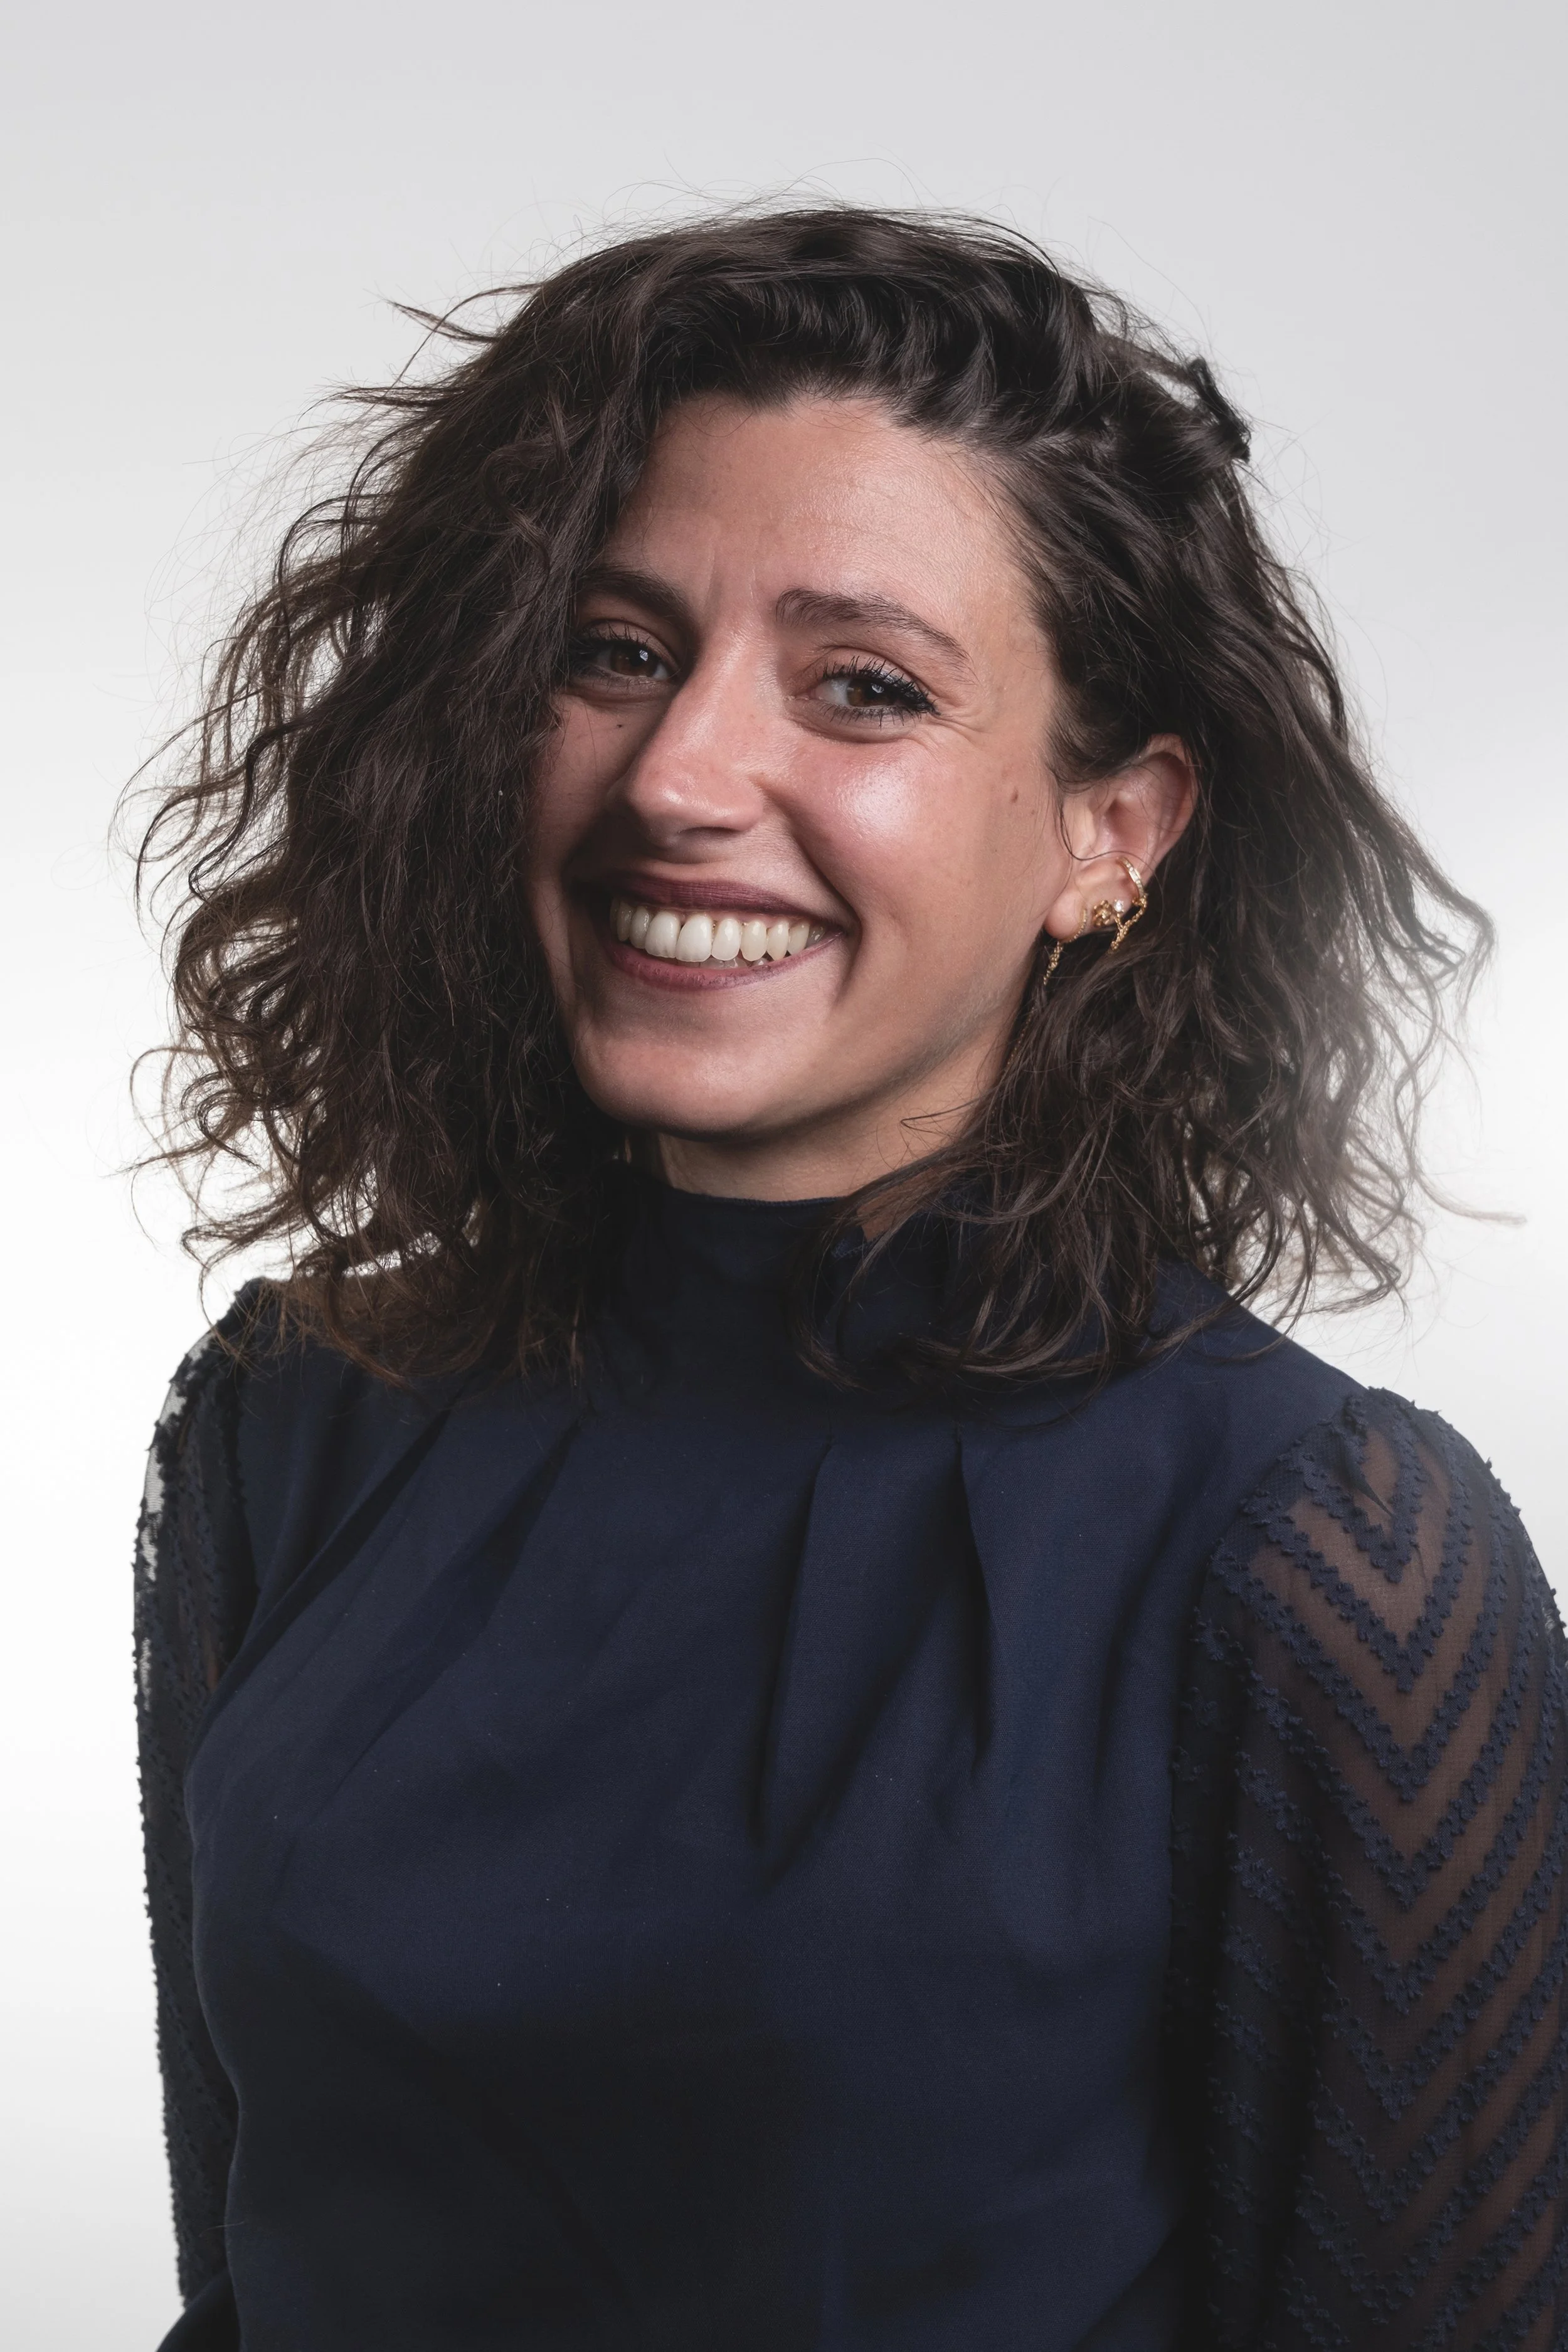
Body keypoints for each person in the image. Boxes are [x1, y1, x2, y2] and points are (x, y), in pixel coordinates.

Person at [133, 207, 1565, 2352]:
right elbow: (245, 2266)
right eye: (615, 647)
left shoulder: (1319, 1558)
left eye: (863, 687)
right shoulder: (294, 1413)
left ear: (1114, 831)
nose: (681, 776)